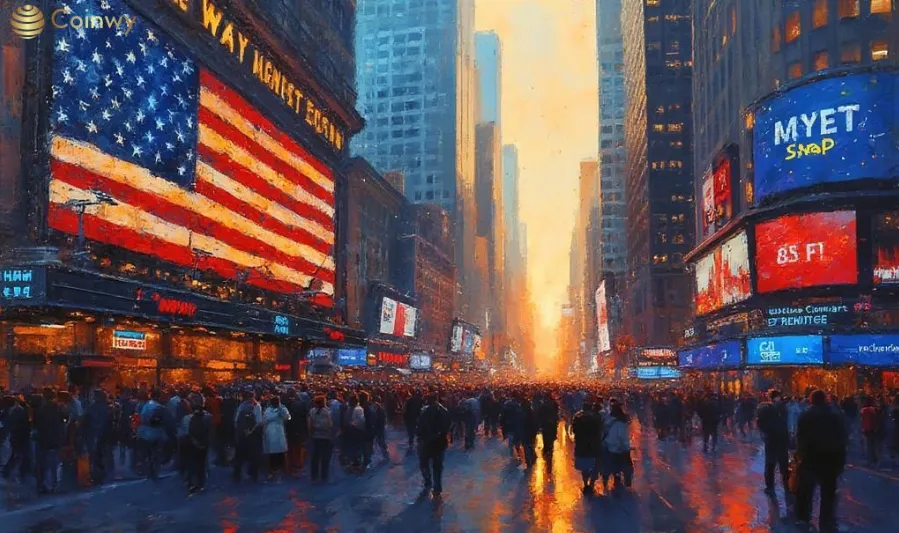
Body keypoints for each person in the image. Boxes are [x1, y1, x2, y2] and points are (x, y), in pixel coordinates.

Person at [795, 390, 847, 532]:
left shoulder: (806, 415)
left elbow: (800, 437)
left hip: (811, 457)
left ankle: (804, 517)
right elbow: (842, 437)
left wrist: (799, 455)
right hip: (831, 458)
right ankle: (827, 519)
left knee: (806, 490)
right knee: (828, 491)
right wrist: (841, 460)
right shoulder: (835, 415)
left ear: (811, 399)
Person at [757, 390, 790, 496]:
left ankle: (770, 486)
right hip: (782, 437)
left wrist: (765, 433)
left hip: (771, 438)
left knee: (770, 463)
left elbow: (760, 422)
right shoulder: (783, 407)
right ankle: (787, 484)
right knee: (783, 463)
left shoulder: (764, 408)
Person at [416, 392, 450, 497]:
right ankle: (437, 488)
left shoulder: (424, 411)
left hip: (427, 442)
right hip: (439, 442)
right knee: (437, 466)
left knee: (424, 463)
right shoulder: (444, 410)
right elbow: (448, 425)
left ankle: (428, 481)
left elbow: (420, 426)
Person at [570, 401, 602, 493]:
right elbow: (599, 430)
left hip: (582, 445)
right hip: (593, 445)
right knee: (595, 465)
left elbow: (574, 430)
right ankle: (591, 484)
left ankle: (585, 483)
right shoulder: (595, 417)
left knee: (584, 467)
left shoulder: (577, 416)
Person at [183, 394, 212, 494]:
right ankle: (201, 483)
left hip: (193, 444)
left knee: (193, 463)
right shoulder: (208, 417)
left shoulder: (188, 418)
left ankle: (192, 483)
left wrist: (194, 442)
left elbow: (188, 432)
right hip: (203, 444)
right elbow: (210, 432)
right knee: (202, 464)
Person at [137, 389, 168, 481]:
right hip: (156, 433)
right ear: (158, 396)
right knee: (156, 453)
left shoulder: (145, 405)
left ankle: (148, 472)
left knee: (147, 454)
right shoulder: (160, 407)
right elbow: (163, 421)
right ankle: (154, 472)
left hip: (143, 433)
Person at [232, 390, 262, 483]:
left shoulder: (242, 405)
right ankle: (253, 474)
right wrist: (251, 431)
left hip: (241, 434)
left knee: (239, 455)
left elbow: (236, 420)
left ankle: (237, 474)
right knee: (254, 455)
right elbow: (259, 421)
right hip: (252, 434)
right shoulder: (256, 406)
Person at [602, 401, 632, 491]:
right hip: (619, 448)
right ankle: (625, 480)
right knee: (626, 464)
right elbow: (623, 436)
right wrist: (626, 446)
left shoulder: (607, 419)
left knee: (607, 465)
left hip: (609, 446)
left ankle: (606, 481)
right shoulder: (621, 423)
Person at [262, 396, 291, 480]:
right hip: (270, 432)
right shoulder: (268, 410)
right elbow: (265, 419)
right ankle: (272, 470)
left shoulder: (282, 409)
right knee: (272, 453)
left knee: (280, 451)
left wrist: (281, 411)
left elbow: (288, 417)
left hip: (279, 432)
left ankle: (282, 469)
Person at [308, 395, 334, 483]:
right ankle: (324, 476)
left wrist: (312, 432)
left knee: (315, 458)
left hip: (315, 437)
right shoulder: (328, 412)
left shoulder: (312, 411)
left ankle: (314, 476)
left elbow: (310, 425)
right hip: (326, 437)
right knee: (325, 458)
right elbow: (330, 425)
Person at [860, 398, 880, 466]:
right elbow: (875, 420)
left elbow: (863, 420)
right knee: (873, 445)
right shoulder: (873, 410)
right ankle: (874, 460)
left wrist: (862, 428)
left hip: (866, 429)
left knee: (868, 446)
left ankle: (870, 461)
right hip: (873, 429)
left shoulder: (864, 410)